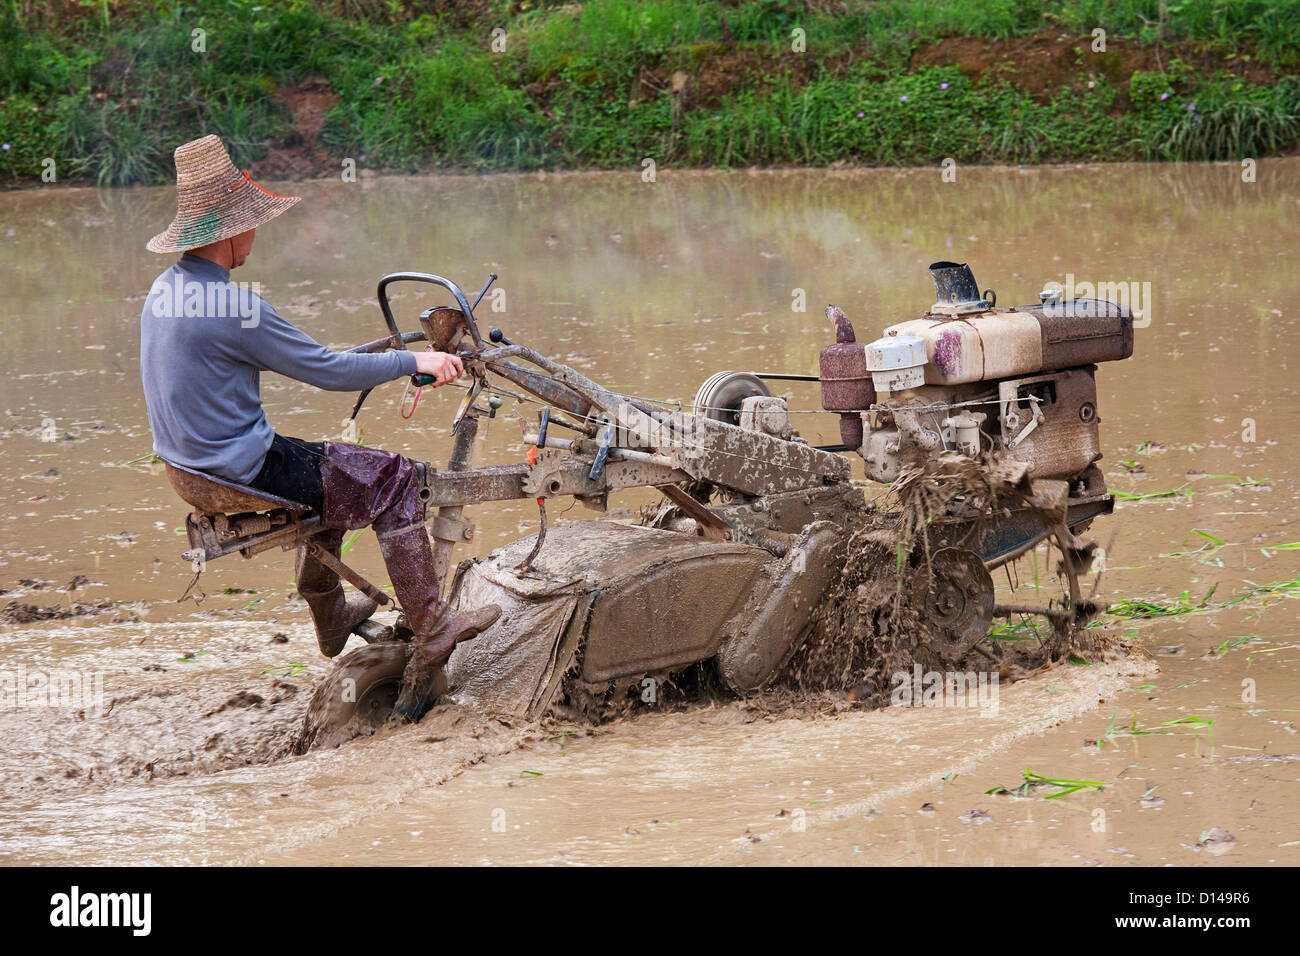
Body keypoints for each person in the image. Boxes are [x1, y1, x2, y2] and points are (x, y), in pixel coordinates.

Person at [140, 134, 500, 663]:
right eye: (253, 222)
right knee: (392, 477)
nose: (256, 233)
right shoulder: (235, 307)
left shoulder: (163, 292)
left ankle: (330, 614)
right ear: (234, 229)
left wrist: (383, 358)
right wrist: (415, 360)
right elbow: (328, 371)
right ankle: (433, 623)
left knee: (337, 472)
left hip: (191, 470)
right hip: (241, 467)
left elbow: (312, 361)